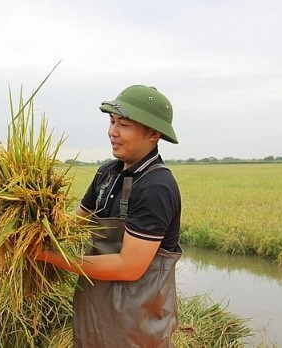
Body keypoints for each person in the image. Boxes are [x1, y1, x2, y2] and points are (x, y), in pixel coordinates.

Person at [36, 85, 183, 347]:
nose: (112, 132)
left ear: (153, 133)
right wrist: (34, 221)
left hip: (137, 329)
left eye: (123, 124)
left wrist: (47, 256)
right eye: (112, 121)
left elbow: (129, 266)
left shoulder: (156, 186)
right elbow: (73, 225)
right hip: (94, 314)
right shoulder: (107, 174)